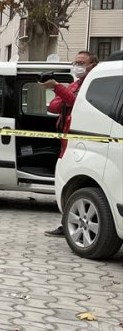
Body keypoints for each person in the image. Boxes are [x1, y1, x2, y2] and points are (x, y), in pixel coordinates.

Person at [40, 50, 99, 237]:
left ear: (92, 66)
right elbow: (54, 106)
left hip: (85, 140)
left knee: (79, 183)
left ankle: (74, 223)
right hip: (68, 140)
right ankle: (68, 222)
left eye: (82, 62)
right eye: (76, 62)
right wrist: (60, 92)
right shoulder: (75, 84)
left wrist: (57, 87)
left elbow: (77, 102)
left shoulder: (93, 85)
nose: (78, 66)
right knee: (69, 183)